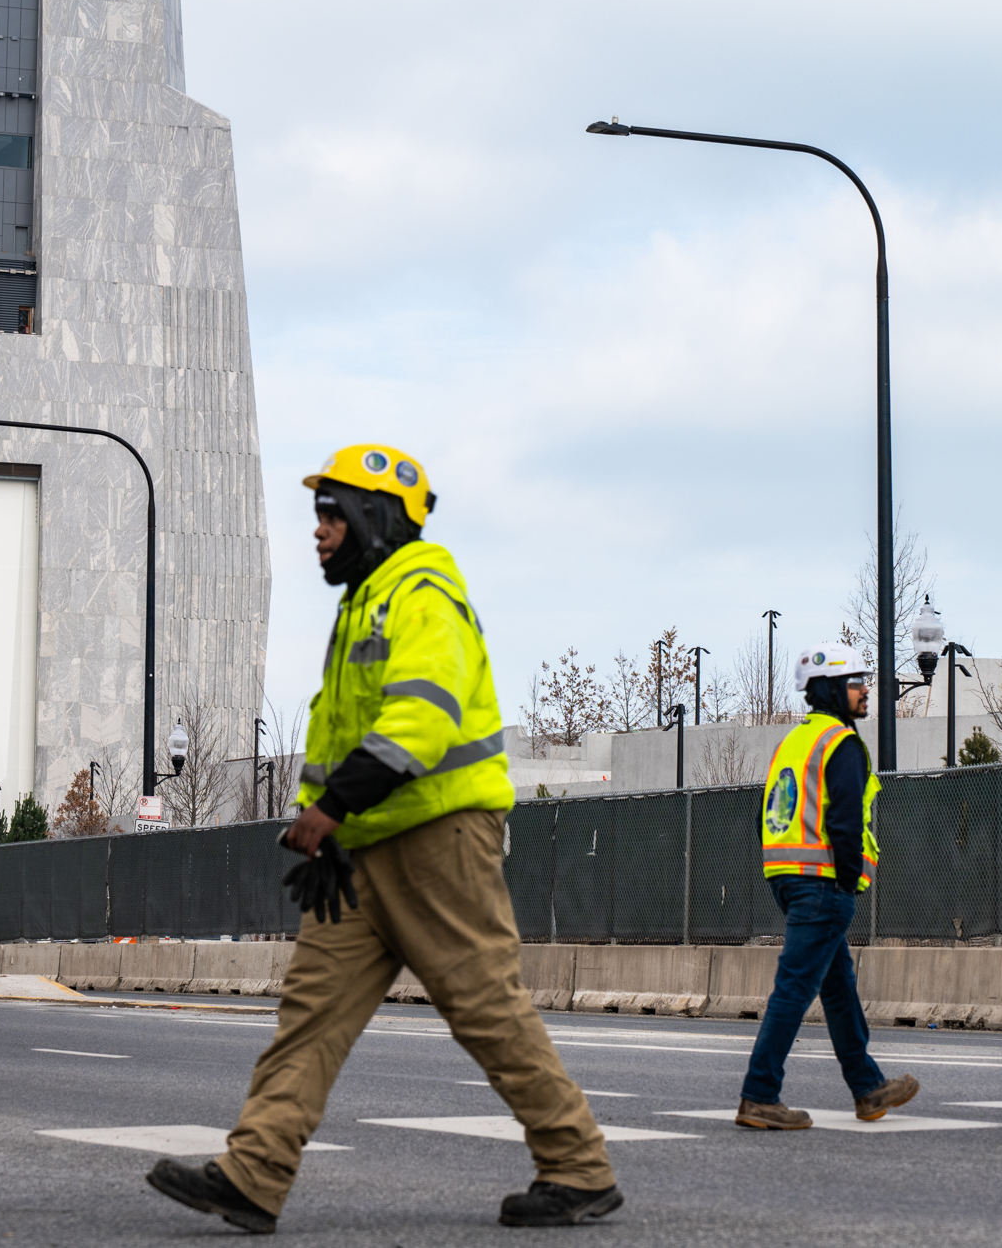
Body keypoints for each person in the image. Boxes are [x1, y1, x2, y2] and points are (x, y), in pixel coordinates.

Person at [146, 445, 621, 1233]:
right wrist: (328, 830)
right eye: (318, 516)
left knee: (485, 1009)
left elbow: (422, 719)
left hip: (439, 841)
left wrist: (332, 807)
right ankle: (254, 1173)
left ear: (377, 516)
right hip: (361, 852)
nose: (319, 531)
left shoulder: (422, 592)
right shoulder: (363, 606)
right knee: (311, 1014)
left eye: (331, 515)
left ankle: (579, 1166)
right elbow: (343, 737)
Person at [734, 642, 919, 1131]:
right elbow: (844, 821)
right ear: (833, 690)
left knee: (838, 988)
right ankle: (759, 1095)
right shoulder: (842, 743)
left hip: (788, 876)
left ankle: (867, 1088)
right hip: (823, 883)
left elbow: (770, 812)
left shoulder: (794, 742)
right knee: (795, 987)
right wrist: (847, 879)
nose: (865, 691)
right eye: (856, 682)